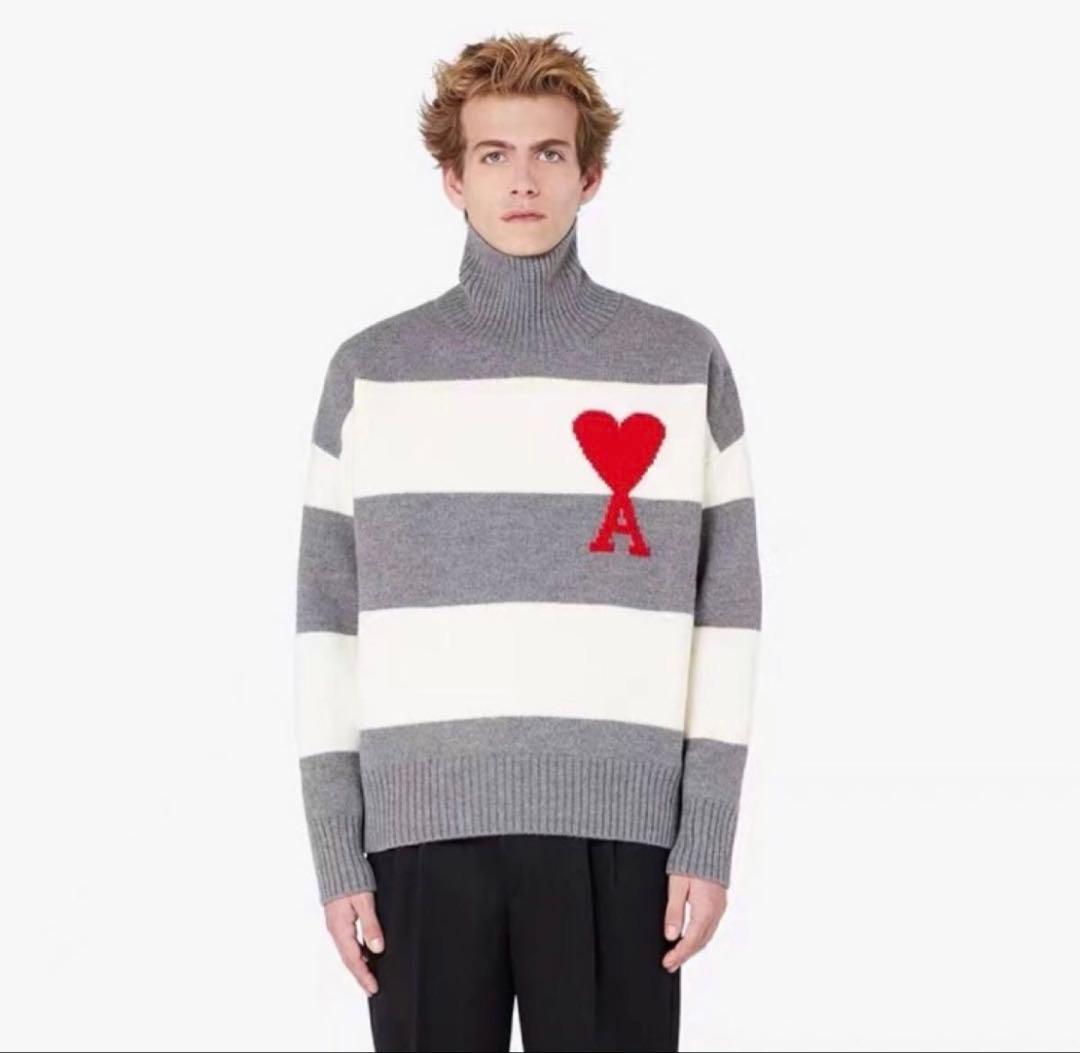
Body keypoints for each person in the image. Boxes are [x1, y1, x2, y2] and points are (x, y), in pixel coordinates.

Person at [293, 31, 763, 1052]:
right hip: (419, 837)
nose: (522, 180)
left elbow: (726, 619)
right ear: (452, 178)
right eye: (494, 154)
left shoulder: (680, 364)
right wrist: (337, 849)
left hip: (621, 838)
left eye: (549, 152)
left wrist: (706, 834)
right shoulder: (371, 372)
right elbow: (327, 627)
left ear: (590, 175)